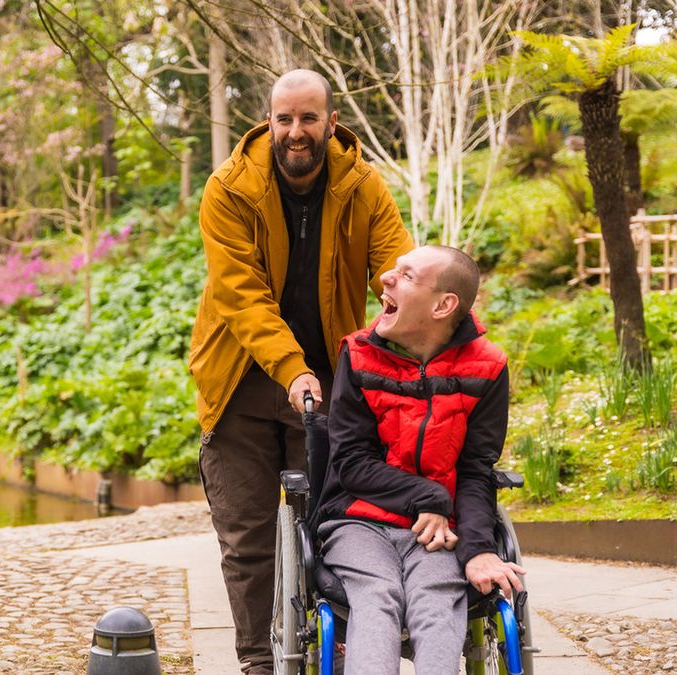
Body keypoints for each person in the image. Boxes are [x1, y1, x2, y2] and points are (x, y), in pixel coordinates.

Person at [188, 69, 414, 674]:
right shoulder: (229, 189)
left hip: (327, 384)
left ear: (331, 123)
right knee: (248, 541)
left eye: (309, 118)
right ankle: (258, 663)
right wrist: (291, 368)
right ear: (268, 121)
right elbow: (241, 297)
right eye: (284, 119)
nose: (295, 131)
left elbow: (398, 274)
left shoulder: (364, 187)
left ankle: (329, 647)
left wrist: (426, 325)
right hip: (240, 382)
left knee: (334, 527)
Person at [312, 244, 526, 674]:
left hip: (439, 530)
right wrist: (427, 496)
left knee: (436, 595)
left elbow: (475, 470)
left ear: (444, 305)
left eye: (406, 276)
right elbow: (350, 462)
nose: (386, 278)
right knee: (378, 593)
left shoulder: (487, 368)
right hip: (358, 518)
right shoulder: (358, 355)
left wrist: (479, 549)